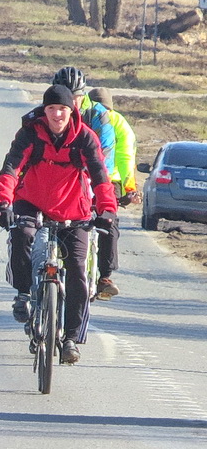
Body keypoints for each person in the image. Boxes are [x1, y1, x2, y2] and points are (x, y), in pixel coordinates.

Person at [0, 84, 117, 364]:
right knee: (21, 234)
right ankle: (24, 292)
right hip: (32, 202)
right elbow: (11, 168)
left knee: (77, 270)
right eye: (52, 109)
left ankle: (71, 338)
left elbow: (99, 175)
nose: (57, 114)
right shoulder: (30, 134)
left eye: (62, 109)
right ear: (44, 111)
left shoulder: (84, 137)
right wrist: (3, 202)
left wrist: (107, 209)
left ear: (71, 110)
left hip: (74, 210)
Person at [52, 67, 120, 298]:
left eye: (75, 97)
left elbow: (105, 161)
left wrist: (97, 194)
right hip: (60, 185)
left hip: (90, 177)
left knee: (108, 220)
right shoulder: (49, 114)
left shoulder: (98, 117)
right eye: (64, 95)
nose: (69, 102)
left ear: (83, 96)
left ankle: (105, 275)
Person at [89, 87, 141, 299]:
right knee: (109, 223)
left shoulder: (87, 118)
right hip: (112, 182)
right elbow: (126, 157)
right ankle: (105, 277)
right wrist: (130, 189)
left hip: (86, 179)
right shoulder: (119, 122)